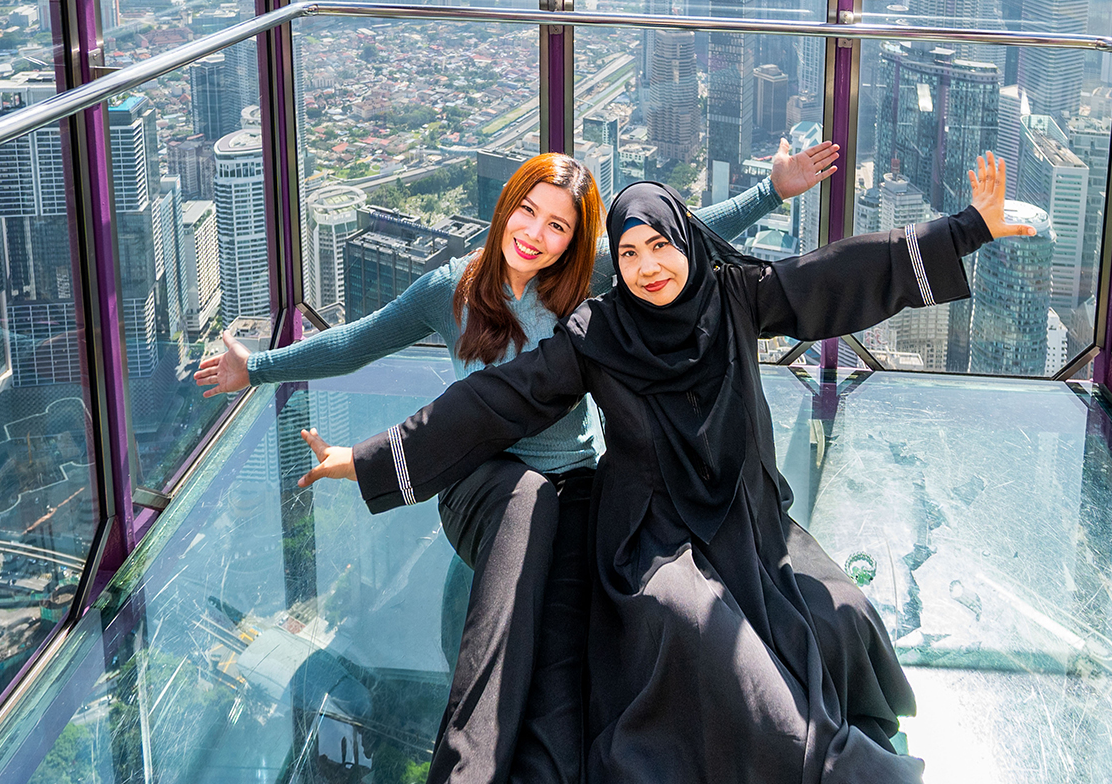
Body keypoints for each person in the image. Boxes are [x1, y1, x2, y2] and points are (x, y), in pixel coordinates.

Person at [296, 154, 1031, 783]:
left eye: (661, 247)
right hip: (648, 534)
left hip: (745, 518)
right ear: (612, 263)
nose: (648, 267)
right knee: (707, 637)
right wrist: (364, 461)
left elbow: (834, 277)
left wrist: (969, 227)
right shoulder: (599, 329)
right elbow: (495, 400)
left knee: (838, 623)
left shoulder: (739, 296)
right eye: (630, 254)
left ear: (686, 241)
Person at [194, 141, 842, 784]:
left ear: (572, 239)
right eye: (528, 212)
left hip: (577, 486)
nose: (537, 234)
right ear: (506, 207)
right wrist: (254, 367)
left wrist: (772, 190)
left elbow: (683, 237)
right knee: (530, 540)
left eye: (558, 225)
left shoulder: (584, 279)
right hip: (485, 484)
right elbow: (357, 343)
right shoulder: (446, 291)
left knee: (594, 635)